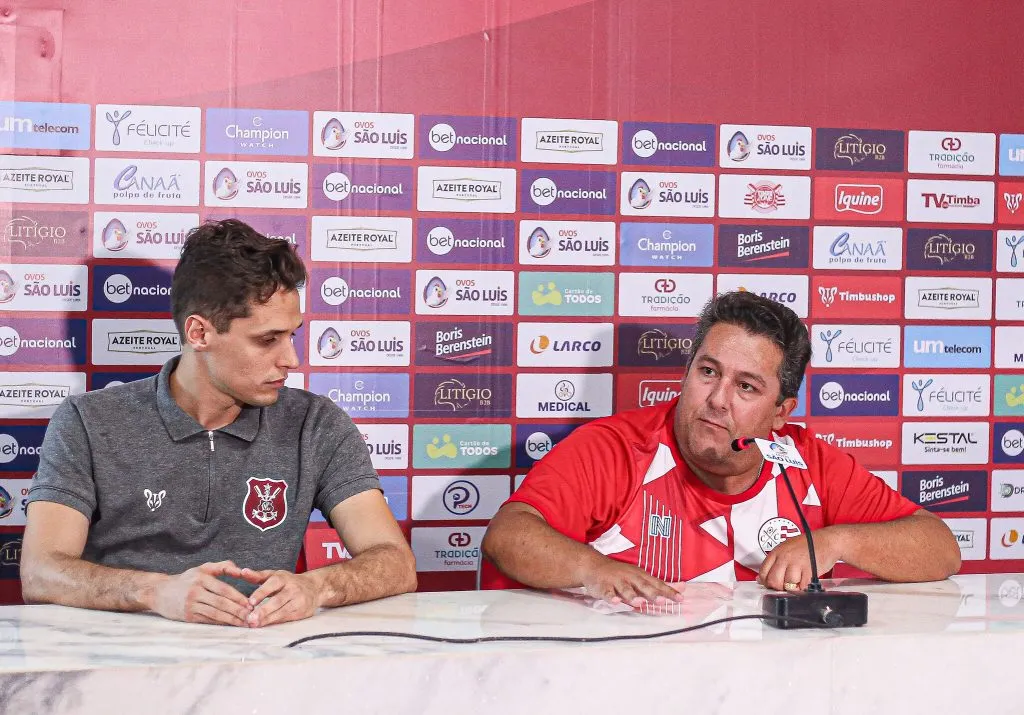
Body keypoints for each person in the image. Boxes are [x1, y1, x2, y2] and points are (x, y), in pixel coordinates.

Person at [21, 220, 416, 627]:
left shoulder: (316, 424)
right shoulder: (89, 422)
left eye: (292, 335)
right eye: (268, 339)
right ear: (199, 333)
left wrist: (316, 587)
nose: (291, 360)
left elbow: (396, 562)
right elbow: (40, 571)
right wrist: (155, 592)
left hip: (260, 668)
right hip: (118, 668)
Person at [482, 291, 960, 606]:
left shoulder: (806, 462)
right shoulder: (618, 448)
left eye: (746, 387)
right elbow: (508, 535)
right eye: (708, 372)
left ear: (781, 411)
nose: (715, 399)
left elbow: (940, 550)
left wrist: (835, 542)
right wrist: (595, 570)